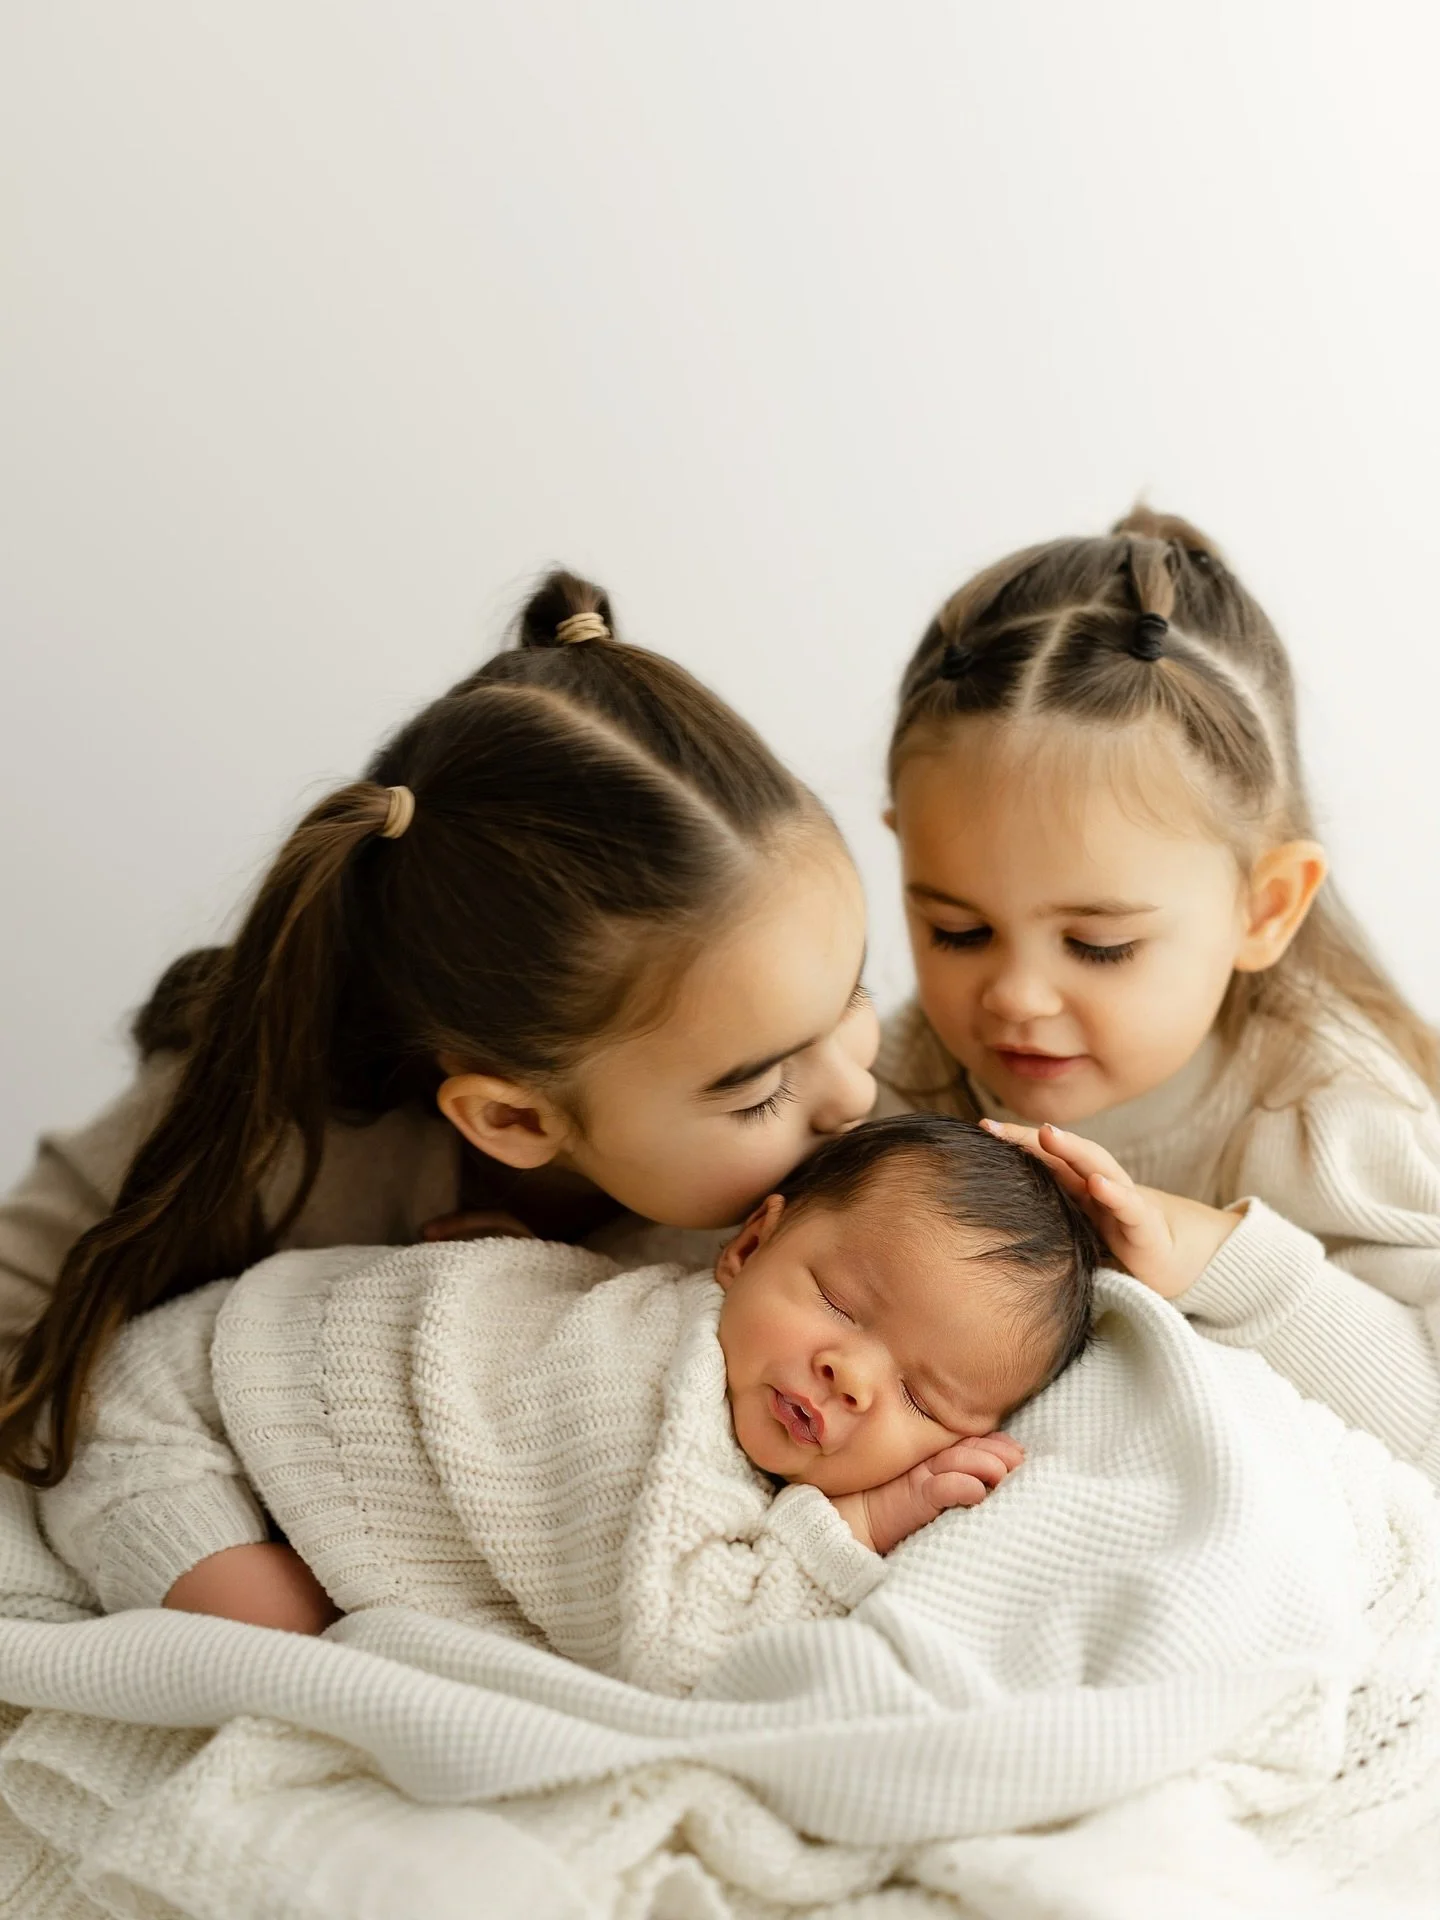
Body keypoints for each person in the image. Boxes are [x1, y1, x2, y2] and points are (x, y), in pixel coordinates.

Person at [0, 570, 882, 1541]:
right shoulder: (267, 1130)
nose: (855, 1093)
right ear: (514, 1118)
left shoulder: (854, 1188)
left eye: (854, 996)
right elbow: (25, 1327)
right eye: (761, 1088)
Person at [39, 1115, 1097, 1687]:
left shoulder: (734, 1347)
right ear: (746, 1246)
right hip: (166, 1424)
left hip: (248, 1401)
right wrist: (856, 1524)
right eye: (837, 1302)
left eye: (921, 1394)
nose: (853, 1375)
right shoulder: (655, 1395)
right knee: (300, 1652)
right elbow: (670, 1643)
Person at [877, 507, 1440, 1482]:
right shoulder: (911, 1073)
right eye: (956, 930)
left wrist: (1226, 1259)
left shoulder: (1326, 1119)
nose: (1013, 997)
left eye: (1098, 946)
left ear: (1264, 909)